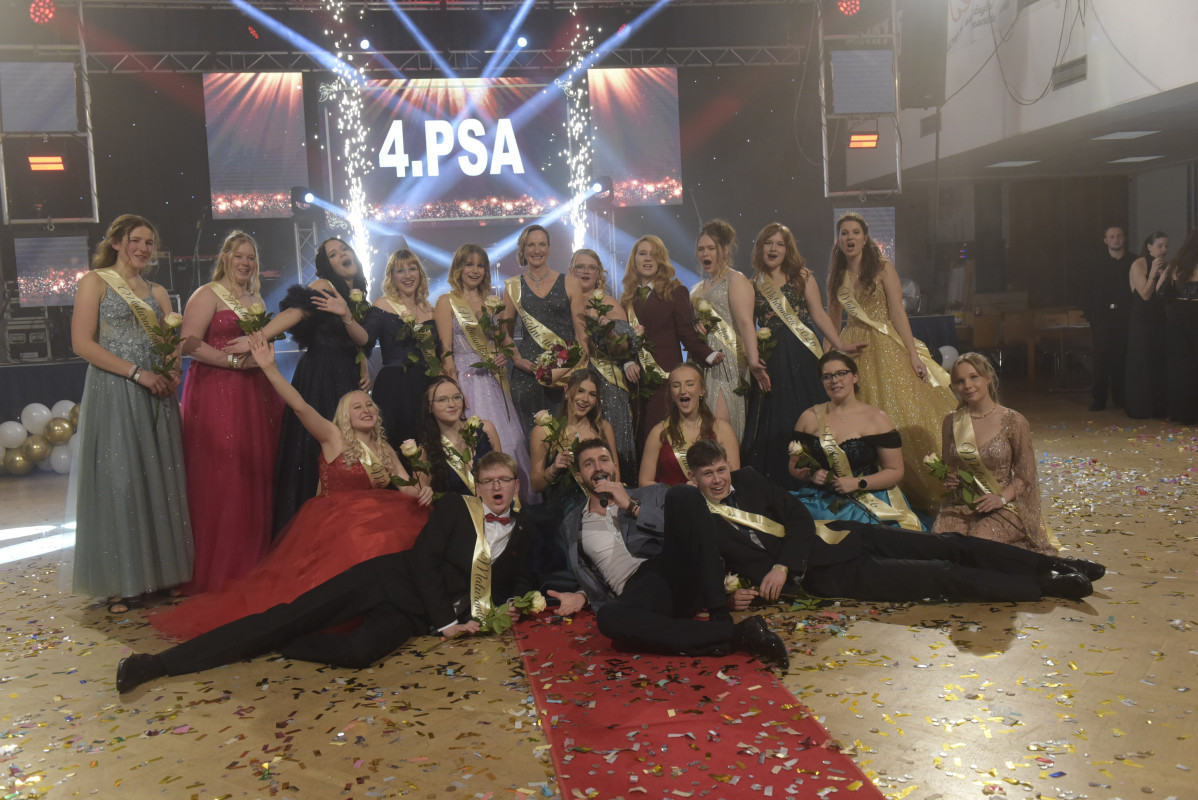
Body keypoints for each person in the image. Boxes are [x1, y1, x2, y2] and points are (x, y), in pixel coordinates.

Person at [118, 452, 534, 693]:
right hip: (383, 580)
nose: (497, 487)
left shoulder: (523, 533)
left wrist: (516, 605)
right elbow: (424, 561)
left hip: (410, 616)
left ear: (517, 485)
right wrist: (446, 623)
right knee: (284, 616)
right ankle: (157, 664)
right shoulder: (455, 508)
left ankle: (280, 641)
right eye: (488, 481)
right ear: (477, 486)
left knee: (358, 654)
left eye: (504, 480)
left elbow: (520, 583)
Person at [150, 334, 433, 640]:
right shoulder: (332, 436)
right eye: (357, 407)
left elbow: (407, 490)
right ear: (344, 415)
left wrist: (424, 483)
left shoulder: (386, 449)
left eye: (369, 405)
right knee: (362, 547)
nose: (366, 409)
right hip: (336, 525)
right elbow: (299, 405)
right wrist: (269, 368)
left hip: (375, 520)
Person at [662, 440, 1105, 625]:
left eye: (720, 469)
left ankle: (1056, 563)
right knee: (940, 575)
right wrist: (725, 599)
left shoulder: (750, 480)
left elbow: (796, 517)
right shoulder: (698, 518)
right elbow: (694, 571)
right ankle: (1046, 586)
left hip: (842, 535)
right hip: (827, 577)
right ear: (693, 479)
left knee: (949, 544)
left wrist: (780, 564)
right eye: (708, 475)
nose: (718, 480)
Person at [548, 439, 788, 667]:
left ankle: (719, 614)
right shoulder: (572, 524)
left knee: (683, 493)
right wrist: (582, 595)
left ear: (614, 466)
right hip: (634, 596)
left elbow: (687, 531)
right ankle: (736, 634)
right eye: (589, 464)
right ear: (579, 476)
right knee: (608, 619)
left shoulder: (650, 494)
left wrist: (631, 506)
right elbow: (589, 573)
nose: (598, 467)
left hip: (666, 571)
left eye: (603, 460)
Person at [70, 214, 192, 613]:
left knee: (160, 479)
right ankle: (121, 582)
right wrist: (138, 373)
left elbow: (171, 343)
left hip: (157, 394)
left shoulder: (158, 292)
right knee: (120, 480)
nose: (143, 248)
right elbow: (82, 344)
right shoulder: (95, 281)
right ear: (117, 242)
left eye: (149, 243)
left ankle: (164, 574)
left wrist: (173, 372)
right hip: (115, 390)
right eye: (136, 240)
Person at [224, 237, 371, 536]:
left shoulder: (358, 297)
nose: (342, 254)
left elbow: (360, 340)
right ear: (326, 265)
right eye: (333, 254)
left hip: (347, 377)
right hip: (321, 375)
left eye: (344, 249)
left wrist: (363, 366)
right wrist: (257, 338)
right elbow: (295, 313)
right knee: (318, 450)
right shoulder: (323, 286)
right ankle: (313, 531)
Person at [826, 211, 956, 514]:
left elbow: (898, 312)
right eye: (844, 233)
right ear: (839, 240)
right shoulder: (836, 276)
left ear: (865, 237)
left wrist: (913, 354)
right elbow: (831, 323)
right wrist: (827, 359)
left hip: (886, 346)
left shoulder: (883, 268)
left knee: (899, 410)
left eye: (855, 232)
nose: (849, 237)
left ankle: (912, 483)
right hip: (853, 349)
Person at [177, 230, 284, 593]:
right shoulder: (207, 294)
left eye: (251, 257)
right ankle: (219, 564)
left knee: (254, 471)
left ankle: (252, 557)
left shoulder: (255, 299)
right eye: (239, 256)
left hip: (254, 392)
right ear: (225, 258)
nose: (245, 263)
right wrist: (232, 362)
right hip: (217, 390)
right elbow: (188, 343)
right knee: (223, 472)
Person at [741, 223, 860, 488]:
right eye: (768, 243)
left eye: (780, 244)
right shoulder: (752, 284)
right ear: (760, 248)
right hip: (772, 359)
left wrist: (840, 344)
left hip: (803, 355)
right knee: (776, 415)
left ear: (788, 249)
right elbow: (747, 323)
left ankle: (825, 474)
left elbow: (819, 314)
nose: (774, 249)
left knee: (811, 411)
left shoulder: (802, 276)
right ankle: (779, 480)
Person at [433, 244, 534, 503]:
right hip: (463, 379)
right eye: (469, 264)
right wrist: (454, 390)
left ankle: (511, 501)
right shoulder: (446, 302)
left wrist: (508, 356)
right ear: (458, 267)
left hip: (491, 380)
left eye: (480, 265)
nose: (475, 270)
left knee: (508, 439)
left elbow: (503, 341)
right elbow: (445, 350)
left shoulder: (492, 303)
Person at [930, 353, 1056, 554]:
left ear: (988, 378)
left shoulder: (1013, 421)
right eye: (960, 381)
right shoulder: (951, 422)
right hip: (960, 505)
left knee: (977, 547)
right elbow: (950, 467)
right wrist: (948, 478)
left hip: (1002, 505)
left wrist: (1002, 498)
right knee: (944, 548)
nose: (967, 385)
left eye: (974, 377)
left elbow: (1026, 475)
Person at [789, 352, 922, 531]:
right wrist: (810, 474)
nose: (834, 380)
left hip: (869, 497)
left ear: (855, 377)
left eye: (841, 373)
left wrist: (858, 483)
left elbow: (895, 471)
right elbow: (794, 465)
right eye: (827, 376)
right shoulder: (808, 417)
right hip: (819, 500)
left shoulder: (877, 418)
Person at [525, 370, 619, 588]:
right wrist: (553, 469)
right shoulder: (544, 431)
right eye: (581, 391)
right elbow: (536, 484)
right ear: (567, 391)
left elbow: (616, 475)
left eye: (592, 394)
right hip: (561, 512)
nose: (586, 399)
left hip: (599, 506)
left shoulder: (603, 429)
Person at [621, 235, 715, 449]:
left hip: (664, 379)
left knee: (658, 436)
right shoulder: (626, 297)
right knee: (638, 437)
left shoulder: (675, 291)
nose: (647, 258)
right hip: (635, 380)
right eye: (642, 253)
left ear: (661, 260)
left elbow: (686, 333)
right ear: (634, 259)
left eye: (653, 254)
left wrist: (708, 354)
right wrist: (627, 361)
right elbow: (623, 339)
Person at [502, 225, 589, 440]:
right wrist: (518, 360)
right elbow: (505, 333)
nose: (537, 250)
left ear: (549, 248)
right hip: (528, 373)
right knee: (532, 437)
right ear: (523, 250)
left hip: (565, 371)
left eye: (542, 244)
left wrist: (579, 371)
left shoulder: (570, 283)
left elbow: (581, 334)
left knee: (566, 436)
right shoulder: (513, 286)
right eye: (531, 245)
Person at [570, 248, 636, 474]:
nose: (585, 271)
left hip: (607, 383)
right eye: (580, 266)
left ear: (599, 273)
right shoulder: (563, 302)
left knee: (611, 441)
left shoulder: (609, 303)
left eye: (592, 267)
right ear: (571, 270)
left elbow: (624, 348)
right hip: (573, 379)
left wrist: (609, 329)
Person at [363, 249, 439, 446]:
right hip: (395, 385)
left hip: (426, 386)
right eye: (400, 270)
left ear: (420, 273)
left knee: (427, 442)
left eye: (412, 269)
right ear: (392, 276)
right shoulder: (382, 304)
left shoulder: (432, 311)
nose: (407, 275)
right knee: (396, 443)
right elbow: (363, 342)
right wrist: (363, 371)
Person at [690, 219, 752, 439]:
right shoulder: (696, 288)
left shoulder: (736, 279)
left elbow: (746, 323)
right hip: (702, 361)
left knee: (722, 426)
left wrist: (754, 361)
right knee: (704, 427)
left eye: (711, 248)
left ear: (724, 250)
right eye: (701, 249)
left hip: (728, 361)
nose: (705, 253)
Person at [639, 363, 740, 486]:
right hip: (672, 498)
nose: (683, 391)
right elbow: (644, 482)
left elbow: (735, 479)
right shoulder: (659, 432)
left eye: (690, 384)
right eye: (676, 386)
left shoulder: (722, 429)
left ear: (702, 391)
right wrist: (679, 493)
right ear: (671, 394)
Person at [417, 375, 500, 496]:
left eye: (457, 397)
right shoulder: (425, 452)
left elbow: (504, 474)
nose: (452, 404)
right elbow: (422, 494)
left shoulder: (485, 428)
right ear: (429, 407)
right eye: (442, 400)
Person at [1086, 225, 1135, 411]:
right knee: (1100, 359)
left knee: (1122, 358)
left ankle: (1120, 398)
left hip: (1125, 317)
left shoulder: (1133, 261)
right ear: (1105, 240)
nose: (1116, 239)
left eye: (1119, 236)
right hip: (1102, 318)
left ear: (1124, 238)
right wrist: (1092, 316)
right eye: (1112, 236)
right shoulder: (1096, 264)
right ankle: (1099, 399)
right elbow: (1088, 290)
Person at [1122, 232, 1170, 420]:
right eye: (1159, 246)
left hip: (1159, 318)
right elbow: (1145, 295)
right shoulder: (1138, 264)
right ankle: (1140, 407)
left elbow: (1165, 295)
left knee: (1158, 361)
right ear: (1149, 247)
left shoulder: (1166, 265)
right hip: (1142, 320)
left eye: (1166, 246)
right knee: (1142, 362)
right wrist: (1152, 275)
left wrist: (1165, 276)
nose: (1164, 250)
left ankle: (1159, 407)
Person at [1164, 229, 1198, 425]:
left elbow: (1166, 294)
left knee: (1180, 365)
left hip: (1177, 314)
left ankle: (1181, 412)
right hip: (1195, 312)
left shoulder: (1177, 264)